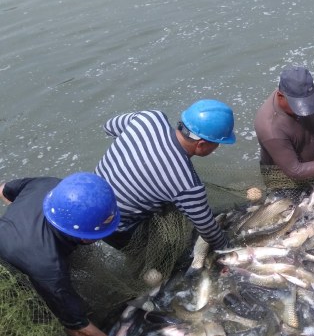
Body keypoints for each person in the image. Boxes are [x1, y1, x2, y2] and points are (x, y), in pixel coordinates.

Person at [0, 173, 157, 336]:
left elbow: (4, 190)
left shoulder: (50, 185)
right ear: (83, 237)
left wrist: (20, 227)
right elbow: (79, 330)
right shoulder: (49, 268)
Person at [96, 99, 235, 251]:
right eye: (217, 143)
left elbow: (108, 127)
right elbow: (209, 231)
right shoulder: (186, 184)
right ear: (201, 145)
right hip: (114, 228)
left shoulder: (149, 118)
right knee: (167, 255)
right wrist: (228, 249)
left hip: (89, 195)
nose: (217, 147)